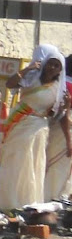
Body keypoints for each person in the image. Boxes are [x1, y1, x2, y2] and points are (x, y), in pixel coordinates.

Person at [0, 45, 66, 210]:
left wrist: (65, 107)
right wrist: (28, 68)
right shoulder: (32, 78)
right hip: (20, 124)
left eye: (57, 66)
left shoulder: (57, 89)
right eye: (51, 63)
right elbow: (10, 84)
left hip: (39, 129)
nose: (52, 68)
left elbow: (53, 115)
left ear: (60, 70)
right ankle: (8, 203)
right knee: (15, 163)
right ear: (45, 63)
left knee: (33, 166)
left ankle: (28, 204)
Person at [45, 55, 72, 200]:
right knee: (58, 168)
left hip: (55, 130)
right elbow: (65, 116)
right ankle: (52, 198)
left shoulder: (59, 82)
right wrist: (68, 140)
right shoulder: (67, 86)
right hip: (64, 133)